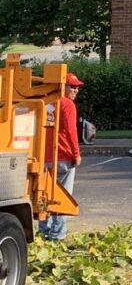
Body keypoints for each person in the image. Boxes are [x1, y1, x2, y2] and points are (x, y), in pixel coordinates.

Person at [39, 72, 84, 241]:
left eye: (77, 87)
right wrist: (76, 153)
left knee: (43, 195)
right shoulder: (67, 104)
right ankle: (57, 234)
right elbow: (71, 131)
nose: (76, 90)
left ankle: (43, 230)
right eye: (72, 86)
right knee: (62, 196)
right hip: (63, 155)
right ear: (62, 86)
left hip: (43, 157)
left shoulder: (43, 102)